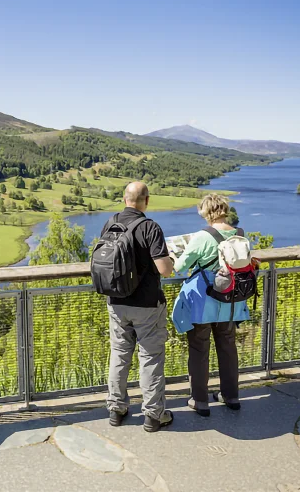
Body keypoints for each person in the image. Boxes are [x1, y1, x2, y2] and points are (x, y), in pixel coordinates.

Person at [103, 181, 175, 432]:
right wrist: (171, 260)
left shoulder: (110, 223)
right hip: (146, 304)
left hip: (116, 301)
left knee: (119, 354)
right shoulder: (150, 227)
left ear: (124, 199)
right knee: (150, 358)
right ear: (146, 200)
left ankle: (116, 409)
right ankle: (154, 415)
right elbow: (164, 269)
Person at [171, 194, 250, 417]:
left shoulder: (202, 237)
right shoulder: (241, 235)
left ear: (205, 212)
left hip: (203, 301)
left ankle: (200, 400)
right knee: (227, 346)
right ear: (225, 210)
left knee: (199, 350)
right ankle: (231, 396)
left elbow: (180, 266)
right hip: (231, 301)